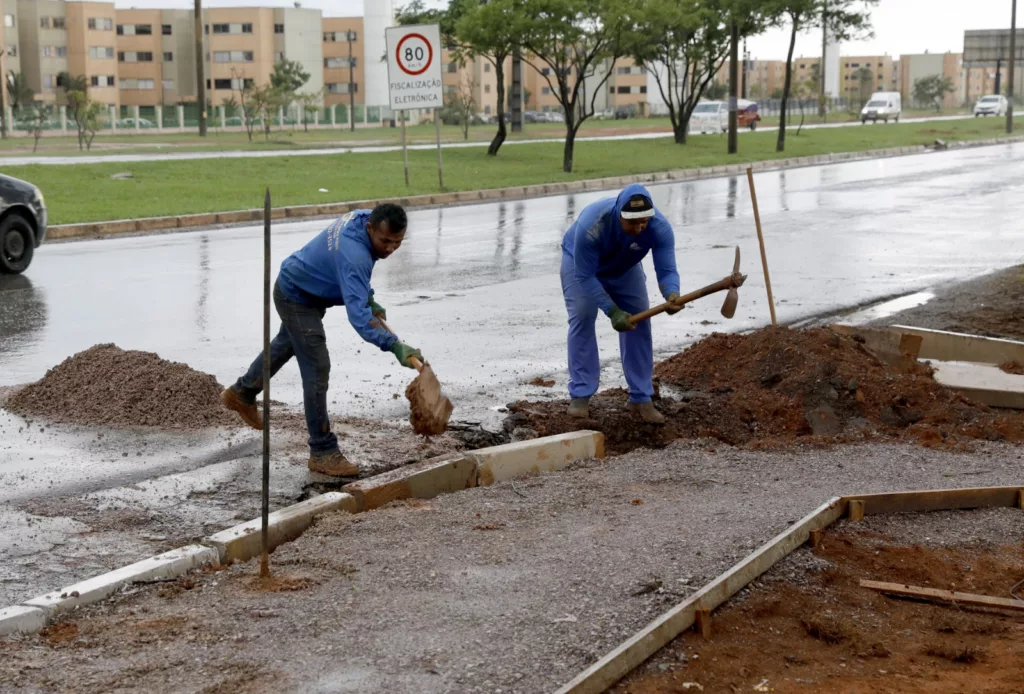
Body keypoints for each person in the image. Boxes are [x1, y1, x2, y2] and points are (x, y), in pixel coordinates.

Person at [221, 203, 423, 477]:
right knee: (317, 366)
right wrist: (394, 344)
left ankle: (242, 393)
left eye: (397, 242)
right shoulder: (355, 255)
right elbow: (360, 318)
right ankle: (322, 451)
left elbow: (353, 276)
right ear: (370, 229)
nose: (389, 248)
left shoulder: (364, 217)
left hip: (303, 284)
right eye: (384, 241)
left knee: (288, 343)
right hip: (296, 295)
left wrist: (367, 295)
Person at [560, 183, 682, 424]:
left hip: (624, 268)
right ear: (618, 215)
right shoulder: (592, 225)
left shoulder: (660, 228)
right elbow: (585, 276)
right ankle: (581, 396)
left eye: (643, 222)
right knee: (583, 315)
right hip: (582, 266)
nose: (639, 228)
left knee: (640, 318)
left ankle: (640, 397)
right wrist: (612, 310)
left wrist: (672, 293)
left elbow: (667, 269)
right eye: (632, 223)